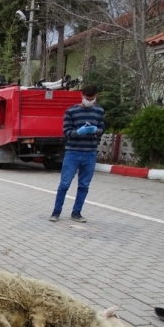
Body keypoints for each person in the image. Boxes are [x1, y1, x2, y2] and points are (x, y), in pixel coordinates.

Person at [49, 83, 105, 223]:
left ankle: (76, 213)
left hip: (90, 153)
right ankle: (56, 212)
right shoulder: (71, 111)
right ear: (82, 96)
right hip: (73, 153)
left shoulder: (99, 111)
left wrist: (95, 130)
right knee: (64, 184)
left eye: (92, 99)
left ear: (96, 97)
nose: (89, 101)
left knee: (84, 185)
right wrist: (78, 132)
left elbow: (102, 129)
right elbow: (66, 133)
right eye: (87, 98)